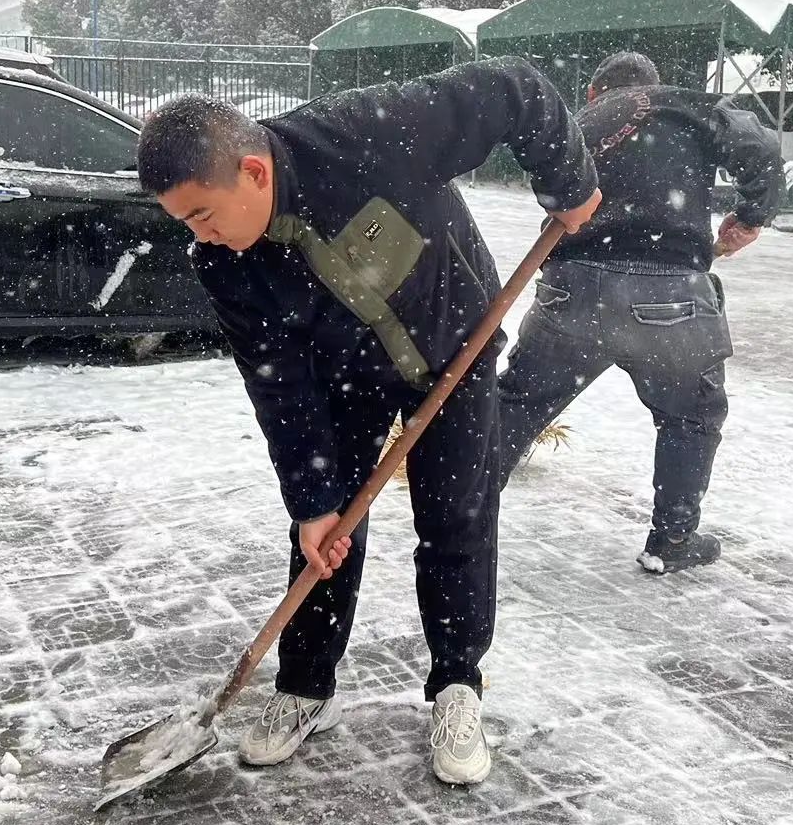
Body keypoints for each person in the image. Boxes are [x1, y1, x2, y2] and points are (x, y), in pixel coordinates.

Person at [135, 58, 600, 785]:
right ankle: (306, 685)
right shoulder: (223, 264)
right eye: (185, 222)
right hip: (340, 373)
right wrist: (311, 504)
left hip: (454, 346)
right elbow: (278, 384)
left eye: (203, 213)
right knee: (327, 536)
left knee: (457, 518)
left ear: (254, 173)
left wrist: (568, 184)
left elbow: (516, 90)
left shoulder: (369, 133)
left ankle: (456, 685)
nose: (202, 235)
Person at [496, 51, 784, 575]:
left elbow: (548, 189)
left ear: (593, 92)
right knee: (691, 417)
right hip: (668, 295)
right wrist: (751, 215)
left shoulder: (577, 122)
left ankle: (462, 503)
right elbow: (759, 145)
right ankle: (672, 538)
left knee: (519, 402)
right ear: (653, 85)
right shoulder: (682, 104)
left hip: (573, 289)